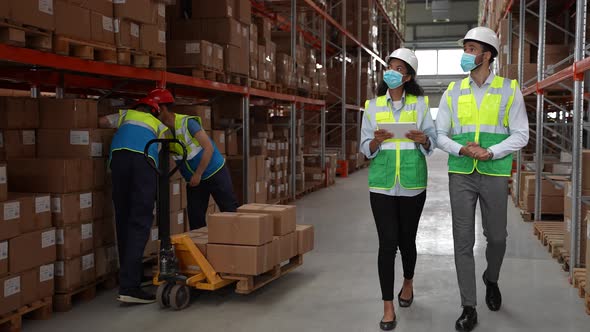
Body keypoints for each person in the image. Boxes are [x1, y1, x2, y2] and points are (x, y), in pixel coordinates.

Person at [435, 27, 529, 332]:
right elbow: (439, 134)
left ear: (487, 55)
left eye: (472, 48)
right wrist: (462, 148)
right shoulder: (453, 91)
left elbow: (521, 134)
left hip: (494, 171)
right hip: (461, 172)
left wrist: (491, 152)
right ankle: (468, 307)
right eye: (465, 48)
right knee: (463, 242)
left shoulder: (509, 89)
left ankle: (491, 278)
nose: (466, 54)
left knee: (497, 238)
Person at [360, 48, 437, 331]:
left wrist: (423, 139)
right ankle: (387, 307)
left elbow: (433, 141)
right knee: (386, 244)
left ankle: (408, 281)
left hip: (412, 183)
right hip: (381, 184)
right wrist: (375, 142)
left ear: (408, 77)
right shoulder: (372, 106)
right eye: (390, 66)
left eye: (399, 69)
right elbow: (364, 148)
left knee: (407, 241)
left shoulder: (420, 105)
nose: (392, 71)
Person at [99, 95, 171, 304]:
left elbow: (102, 122)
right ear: (155, 111)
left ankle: (130, 275)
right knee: (140, 221)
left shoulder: (124, 115)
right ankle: (130, 286)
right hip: (142, 162)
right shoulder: (159, 126)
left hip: (118, 162)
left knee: (123, 220)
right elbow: (165, 154)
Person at [148, 88, 238, 230]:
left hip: (214, 172)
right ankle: (200, 248)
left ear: (162, 108)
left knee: (229, 210)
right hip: (194, 180)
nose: (151, 114)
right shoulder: (163, 130)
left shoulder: (187, 123)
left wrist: (198, 174)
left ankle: (236, 245)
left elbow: (208, 148)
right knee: (195, 217)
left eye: (153, 109)